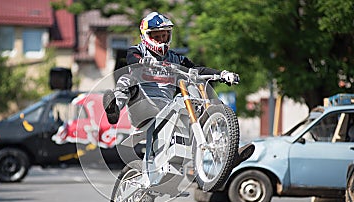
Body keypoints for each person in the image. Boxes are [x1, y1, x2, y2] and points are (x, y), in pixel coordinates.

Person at [103, 11, 254, 166]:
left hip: (168, 109)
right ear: (146, 36)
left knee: (196, 85)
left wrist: (221, 74)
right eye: (157, 36)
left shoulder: (175, 58)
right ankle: (114, 109)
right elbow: (131, 58)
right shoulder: (138, 51)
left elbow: (197, 70)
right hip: (142, 105)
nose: (161, 41)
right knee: (128, 79)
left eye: (164, 36)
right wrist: (143, 61)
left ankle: (227, 150)